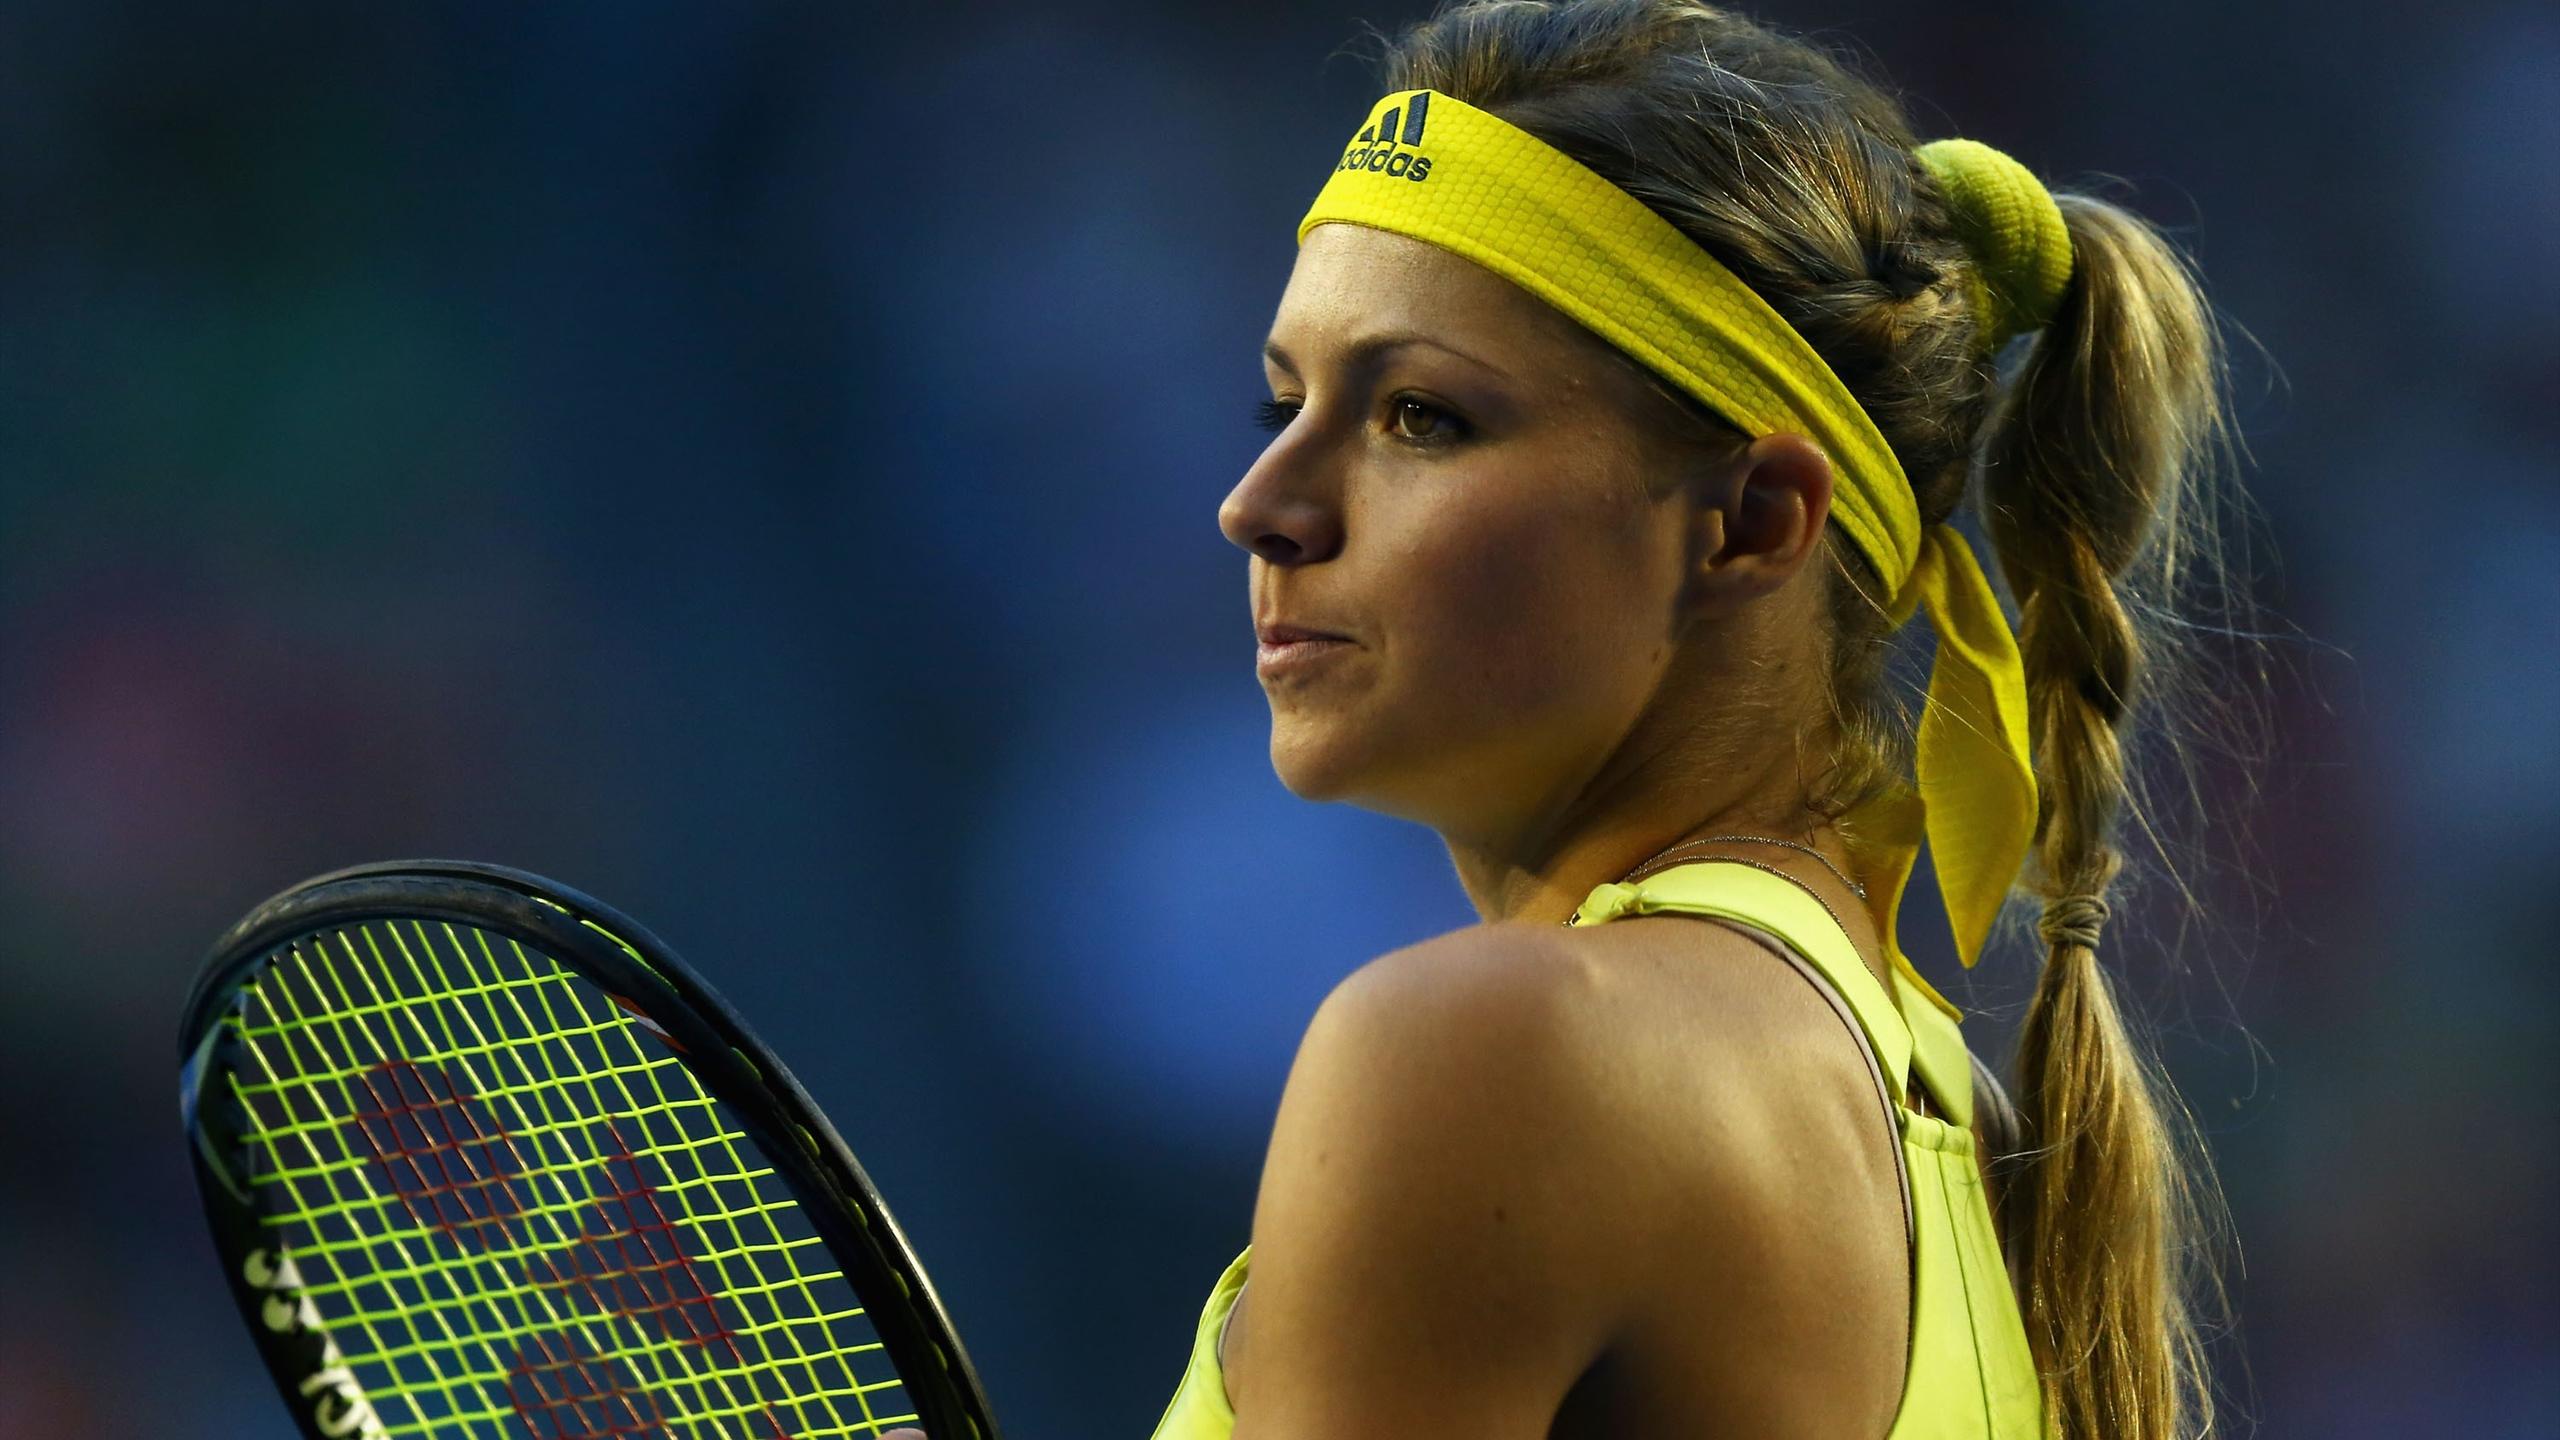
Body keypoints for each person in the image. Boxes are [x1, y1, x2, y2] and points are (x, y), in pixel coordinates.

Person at [902, 1, 2249, 1436]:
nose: (1261, 506)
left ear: (1753, 520)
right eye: (1279, 404)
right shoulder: (1968, 1132)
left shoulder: (1489, 1055)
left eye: (1422, 417)